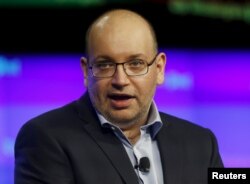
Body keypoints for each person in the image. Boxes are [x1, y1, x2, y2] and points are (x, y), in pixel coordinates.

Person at [14, 9, 223, 184]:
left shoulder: (201, 143)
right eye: (105, 65)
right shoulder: (44, 138)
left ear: (159, 69)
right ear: (87, 71)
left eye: (136, 63)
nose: (120, 80)